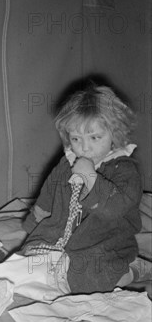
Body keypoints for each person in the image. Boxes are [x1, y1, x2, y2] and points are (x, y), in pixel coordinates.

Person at [13, 83, 143, 295]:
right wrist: (33, 225)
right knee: (26, 263)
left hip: (104, 241)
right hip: (57, 234)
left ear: (115, 134)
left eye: (94, 137)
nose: (84, 147)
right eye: (76, 139)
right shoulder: (68, 163)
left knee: (87, 277)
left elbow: (115, 208)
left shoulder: (125, 169)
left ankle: (131, 271)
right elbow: (48, 194)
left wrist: (91, 177)